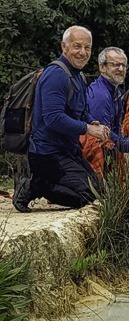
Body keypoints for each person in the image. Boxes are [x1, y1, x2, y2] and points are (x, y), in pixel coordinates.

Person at [13, 26, 109, 212]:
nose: (82, 52)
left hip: (67, 150)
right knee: (88, 197)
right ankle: (36, 185)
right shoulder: (56, 75)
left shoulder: (78, 75)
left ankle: (43, 181)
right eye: (77, 46)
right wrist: (87, 129)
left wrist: (91, 122)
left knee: (100, 193)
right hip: (46, 153)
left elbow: (80, 112)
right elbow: (53, 118)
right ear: (64, 47)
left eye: (87, 48)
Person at [82, 47, 129, 178]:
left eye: (123, 65)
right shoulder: (99, 94)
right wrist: (127, 147)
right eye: (115, 64)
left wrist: (125, 146)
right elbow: (102, 134)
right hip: (93, 152)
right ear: (102, 67)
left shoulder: (115, 92)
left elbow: (117, 129)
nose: (120, 69)